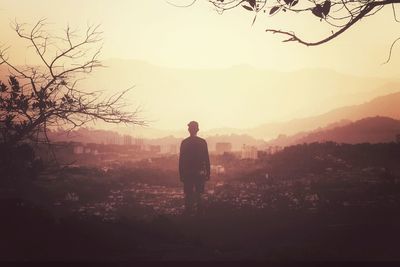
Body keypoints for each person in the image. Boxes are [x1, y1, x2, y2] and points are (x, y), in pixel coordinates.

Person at [179, 121, 210, 214]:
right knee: (199, 194)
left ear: (189, 130)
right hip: (199, 173)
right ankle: (199, 215)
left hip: (187, 173)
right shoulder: (202, 142)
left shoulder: (185, 142)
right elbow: (206, 159)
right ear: (198, 129)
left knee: (188, 195)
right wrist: (208, 173)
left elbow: (181, 160)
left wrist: (181, 174)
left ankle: (189, 214)